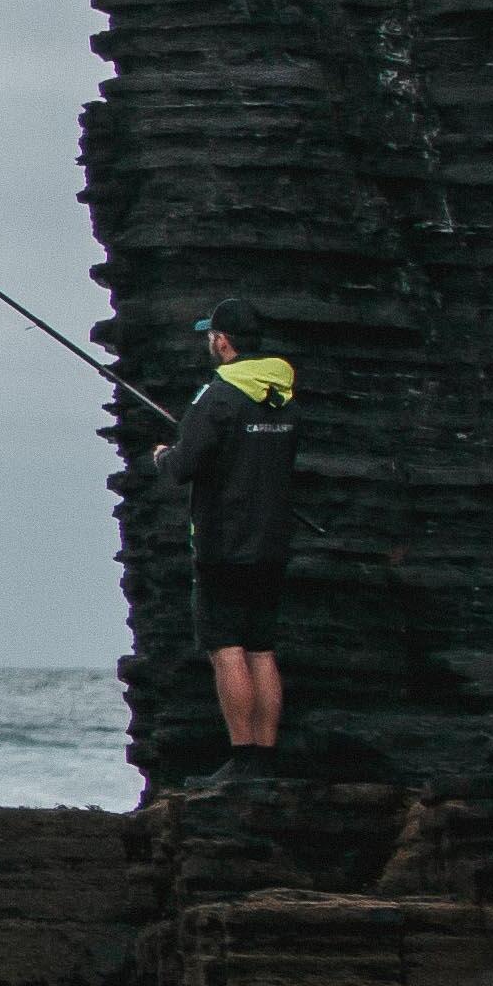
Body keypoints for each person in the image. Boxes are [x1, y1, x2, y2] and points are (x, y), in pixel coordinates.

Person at [154, 301, 301, 755]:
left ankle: (243, 754)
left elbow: (184, 466)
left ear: (223, 340)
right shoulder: (284, 395)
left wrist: (162, 455)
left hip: (223, 541)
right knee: (261, 648)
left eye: (211, 336)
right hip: (272, 540)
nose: (210, 344)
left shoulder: (216, 396)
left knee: (227, 647)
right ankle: (267, 752)